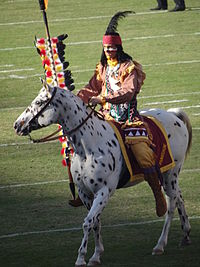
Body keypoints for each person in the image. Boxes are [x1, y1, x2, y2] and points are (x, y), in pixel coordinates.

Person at [70, 11, 167, 217]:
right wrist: (78, 99)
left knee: (143, 153)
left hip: (129, 119)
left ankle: (157, 192)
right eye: (106, 48)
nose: (109, 51)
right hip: (106, 118)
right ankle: (82, 188)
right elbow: (91, 87)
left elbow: (128, 92)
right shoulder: (102, 69)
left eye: (112, 47)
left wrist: (104, 98)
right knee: (78, 143)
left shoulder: (129, 68)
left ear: (119, 48)